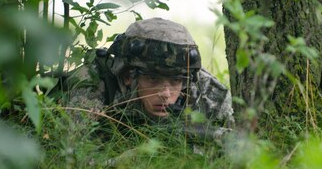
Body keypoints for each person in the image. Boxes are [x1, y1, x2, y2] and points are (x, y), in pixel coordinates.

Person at [56, 18, 234, 146]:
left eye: (175, 81)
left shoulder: (209, 94)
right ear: (127, 76)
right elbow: (70, 158)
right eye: (153, 79)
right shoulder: (92, 86)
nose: (165, 94)